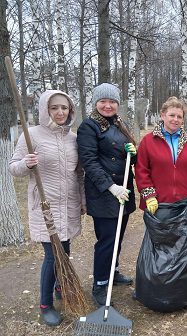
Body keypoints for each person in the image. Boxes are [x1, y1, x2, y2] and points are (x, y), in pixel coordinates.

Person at [9, 90, 86, 326]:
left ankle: (61, 287)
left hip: (69, 203)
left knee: (65, 250)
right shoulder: (32, 135)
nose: (60, 112)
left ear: (70, 110)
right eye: (54, 108)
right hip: (46, 206)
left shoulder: (73, 138)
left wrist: (82, 199)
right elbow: (13, 167)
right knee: (52, 256)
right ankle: (45, 304)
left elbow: (79, 173)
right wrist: (26, 163)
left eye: (64, 107)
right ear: (45, 110)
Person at [77, 83, 137, 307]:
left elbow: (130, 159)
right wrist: (111, 187)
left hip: (124, 190)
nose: (108, 105)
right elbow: (90, 163)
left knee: (118, 236)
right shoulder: (89, 127)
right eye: (103, 101)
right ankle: (100, 284)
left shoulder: (121, 124)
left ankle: (113, 271)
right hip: (104, 194)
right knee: (107, 241)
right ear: (96, 103)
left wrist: (134, 152)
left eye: (112, 102)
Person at [135, 96, 187, 210]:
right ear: (162, 115)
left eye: (179, 117)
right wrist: (149, 195)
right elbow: (141, 170)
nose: (175, 119)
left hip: (186, 204)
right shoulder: (148, 141)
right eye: (172, 115)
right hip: (156, 204)